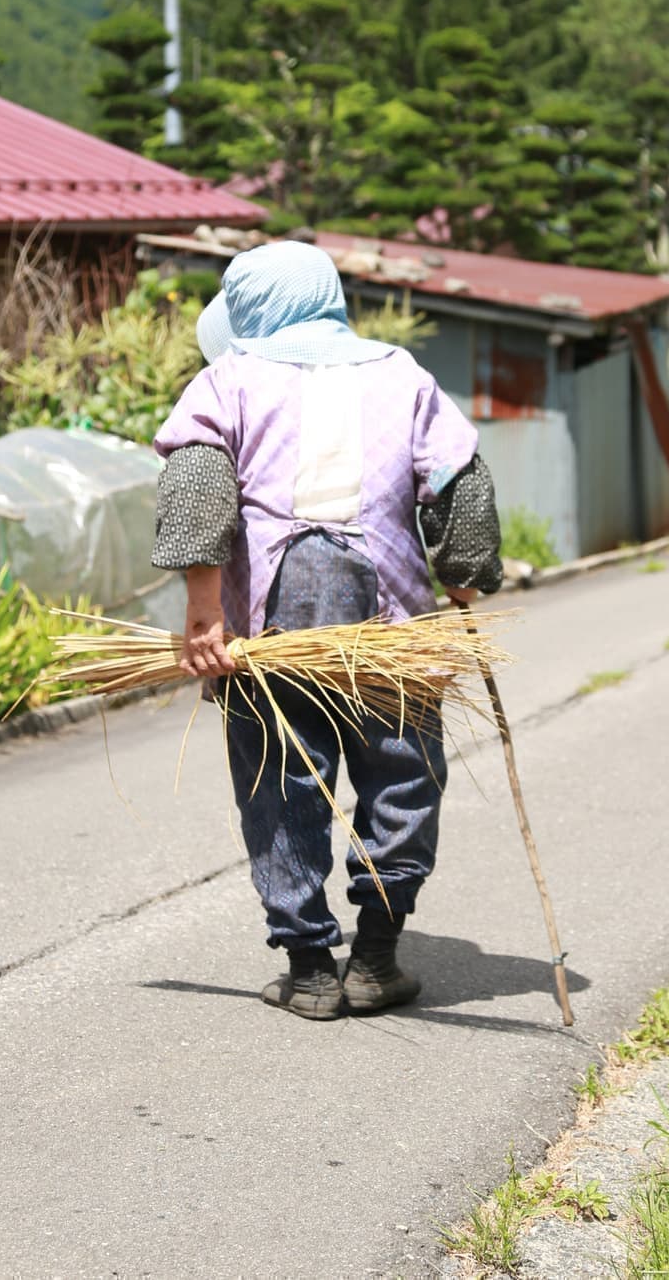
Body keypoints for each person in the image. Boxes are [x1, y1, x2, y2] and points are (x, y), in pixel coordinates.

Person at [151, 241, 504, 1021]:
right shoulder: (402, 375)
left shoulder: (229, 379)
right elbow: (461, 482)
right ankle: (375, 955)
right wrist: (463, 575)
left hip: (271, 629)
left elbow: (199, 481)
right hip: (392, 622)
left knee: (281, 779)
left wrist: (204, 611)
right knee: (401, 772)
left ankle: (311, 966)